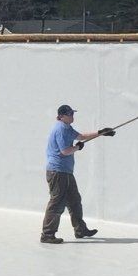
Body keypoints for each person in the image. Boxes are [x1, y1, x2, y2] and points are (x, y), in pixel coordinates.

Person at [42, 103, 113, 243]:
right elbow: (64, 151)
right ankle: (47, 235)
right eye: (69, 114)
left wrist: (100, 133)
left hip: (66, 172)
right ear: (61, 116)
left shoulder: (67, 128)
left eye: (72, 113)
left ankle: (80, 230)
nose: (72, 116)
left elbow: (80, 136)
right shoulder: (60, 129)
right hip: (57, 172)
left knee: (74, 201)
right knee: (57, 203)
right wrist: (77, 148)